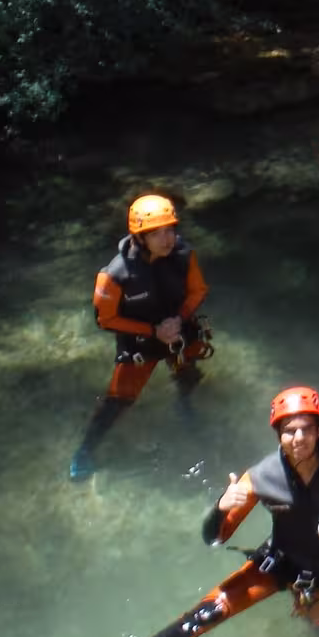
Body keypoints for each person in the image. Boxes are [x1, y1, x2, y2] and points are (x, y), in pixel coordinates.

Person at [58, 387, 319, 637]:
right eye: (289, 431)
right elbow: (213, 538)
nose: (298, 438)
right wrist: (221, 507)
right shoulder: (261, 477)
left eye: (306, 429)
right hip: (280, 562)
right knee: (203, 616)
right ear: (278, 435)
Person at [70, 194, 213, 480]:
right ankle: (86, 450)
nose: (167, 238)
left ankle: (184, 401)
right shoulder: (115, 274)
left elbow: (198, 290)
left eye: (170, 229)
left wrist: (179, 319)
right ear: (139, 236)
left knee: (187, 371)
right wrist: (153, 331)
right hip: (140, 344)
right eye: (157, 233)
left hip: (178, 332)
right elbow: (105, 319)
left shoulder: (184, 254)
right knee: (119, 399)